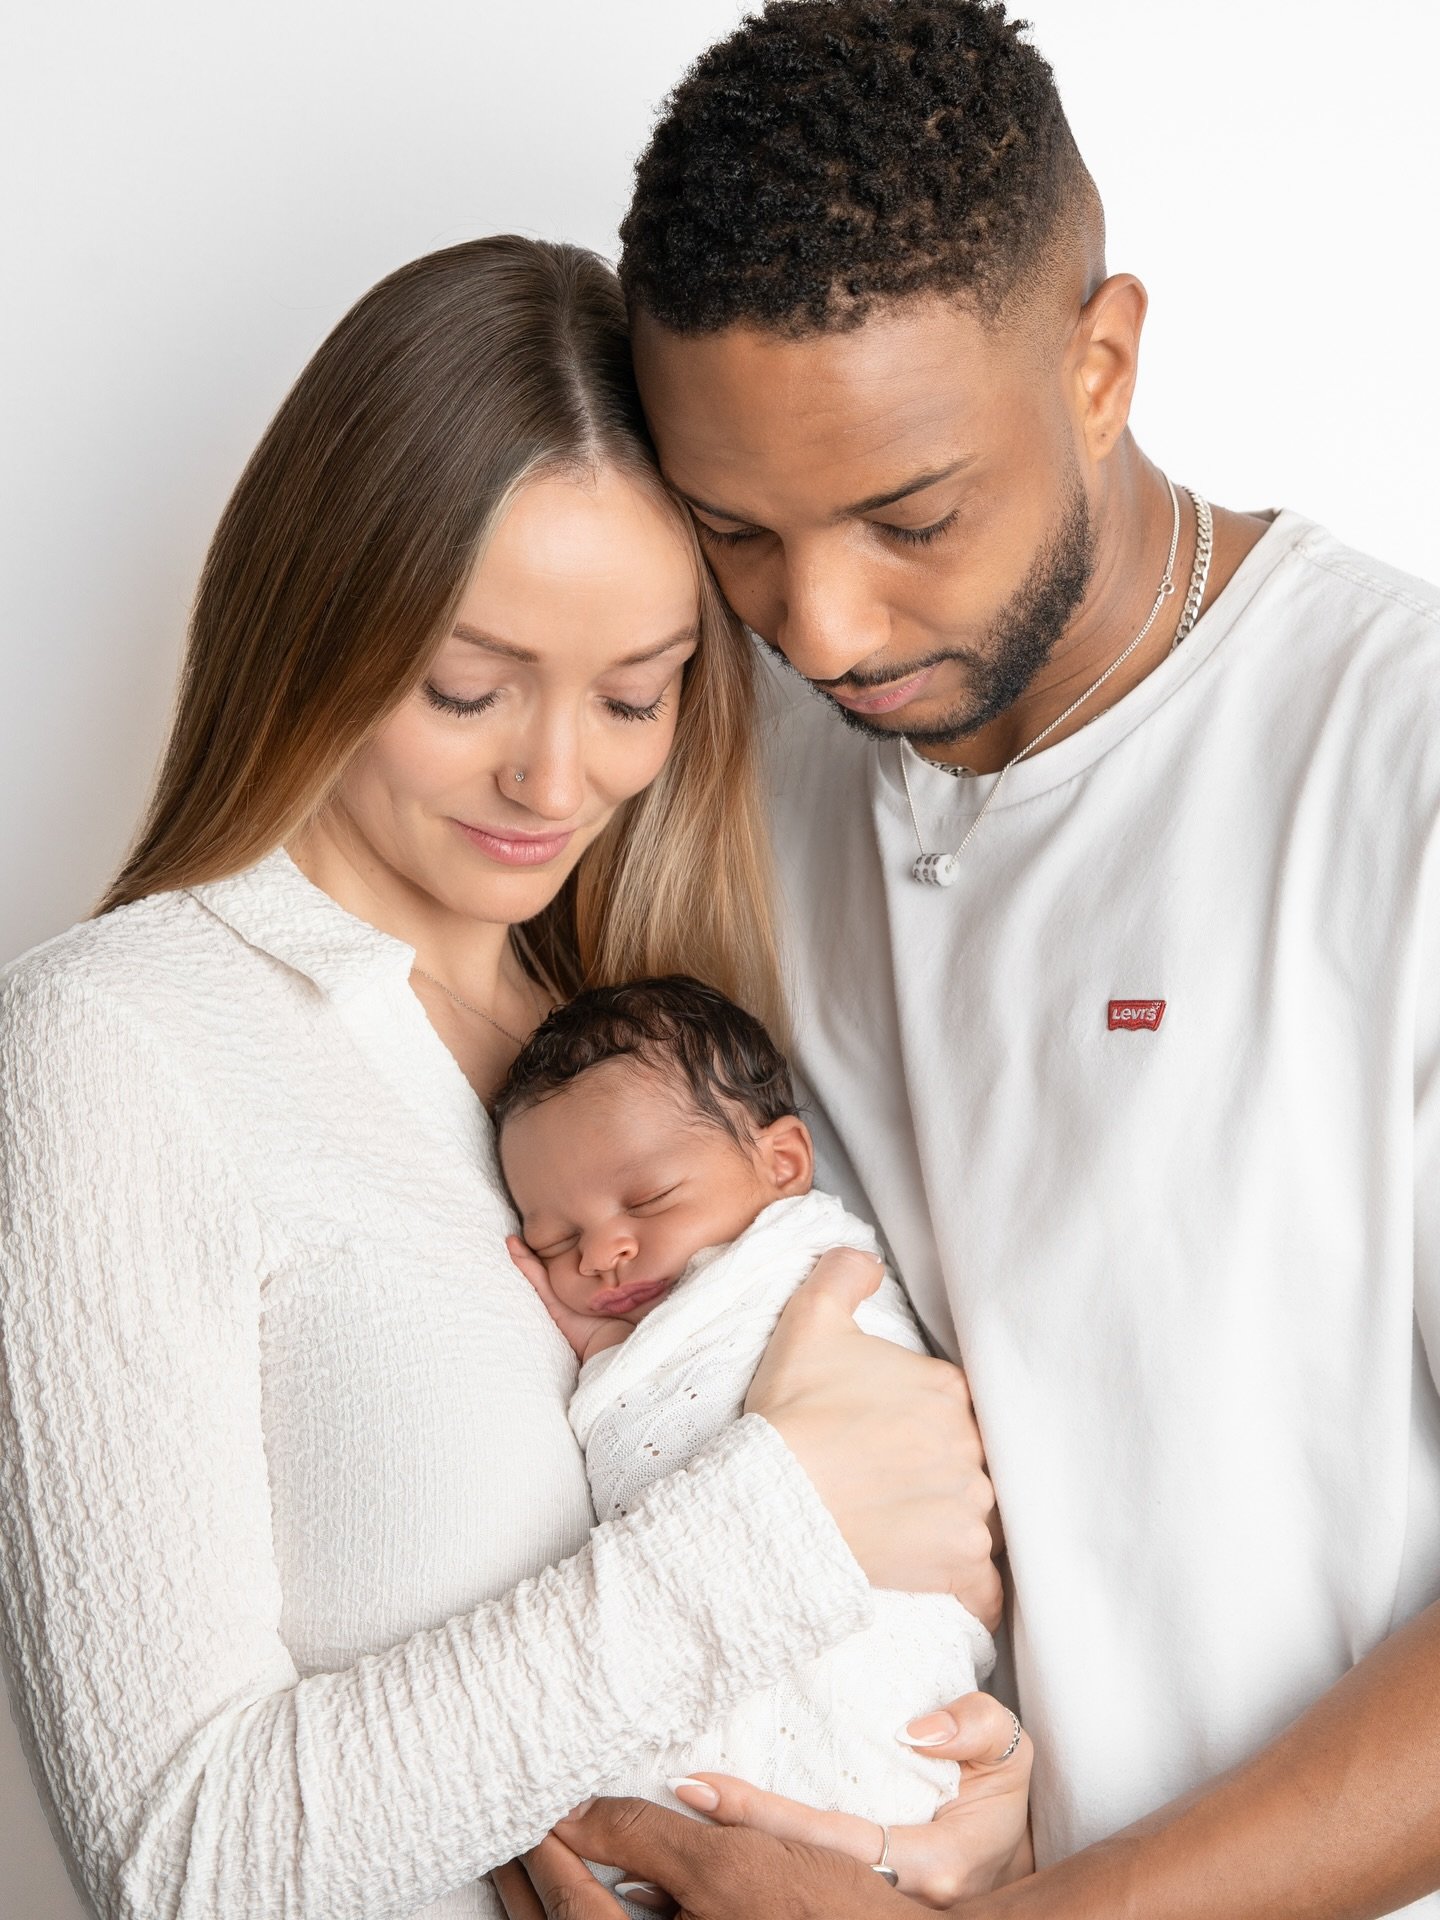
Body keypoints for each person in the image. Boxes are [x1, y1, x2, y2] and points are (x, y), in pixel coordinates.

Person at [531, 2, 1440, 1916]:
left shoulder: (1398, 766)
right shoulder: (696, 760)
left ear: (1099, 365)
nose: (828, 625)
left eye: (912, 515)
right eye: (738, 537)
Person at [0, 235, 1016, 1920]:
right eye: (468, 688)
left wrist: (957, 1815)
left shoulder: (658, 1059)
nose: (555, 777)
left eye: (636, 696)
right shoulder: (119, 1046)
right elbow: (178, 1865)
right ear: (318, 624)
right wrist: (782, 1527)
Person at [494, 976, 1015, 1909]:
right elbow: (644, 1428)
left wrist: (619, 1360)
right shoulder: (637, 1319)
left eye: (647, 1201)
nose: (603, 1252)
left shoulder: (815, 1271)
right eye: (556, 1235)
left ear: (782, 1165)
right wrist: (609, 1361)